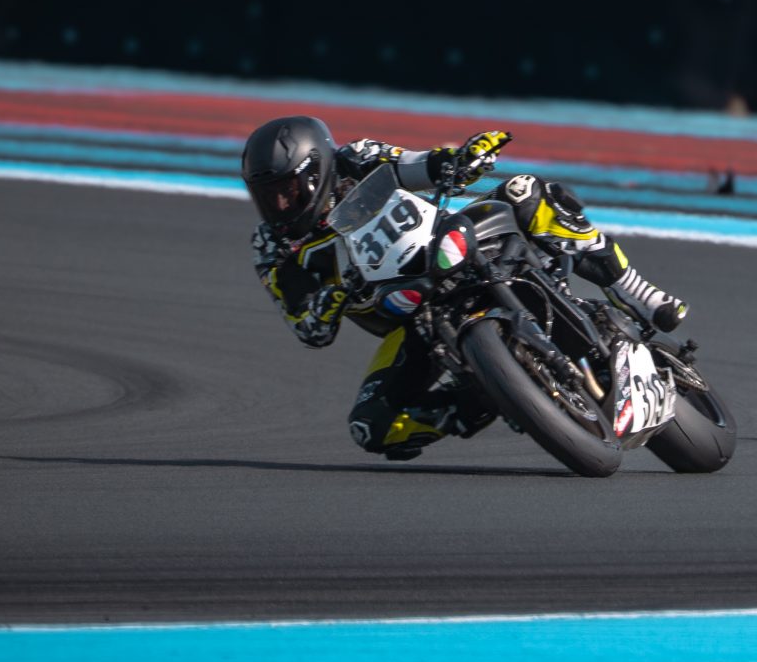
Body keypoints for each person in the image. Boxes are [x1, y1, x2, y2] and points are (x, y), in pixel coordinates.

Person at [242, 116, 688, 460]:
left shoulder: (356, 158)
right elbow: (309, 328)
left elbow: (417, 165)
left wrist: (463, 159)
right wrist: (333, 297)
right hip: (405, 313)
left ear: (316, 171)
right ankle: (482, 397)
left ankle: (634, 292)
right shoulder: (272, 247)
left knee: (525, 191)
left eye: (287, 190)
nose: (278, 205)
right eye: (266, 195)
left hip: (447, 244)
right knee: (372, 427)